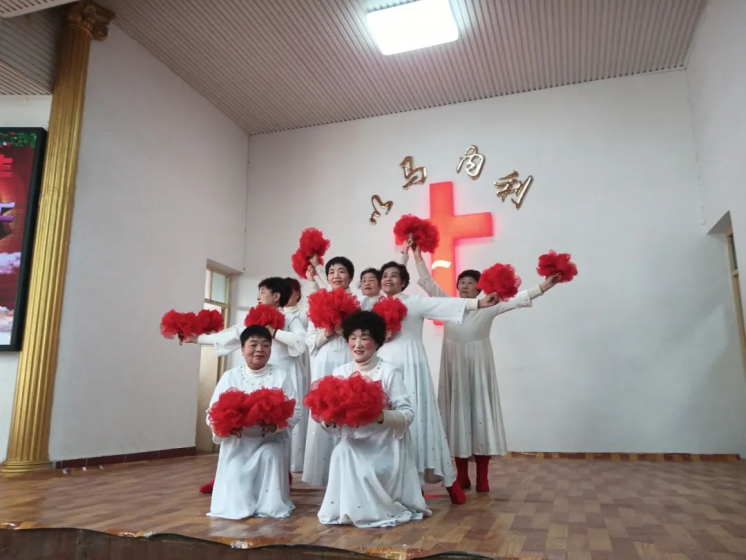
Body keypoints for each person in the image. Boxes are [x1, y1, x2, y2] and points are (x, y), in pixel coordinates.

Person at [402, 242, 560, 493]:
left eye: (469, 282)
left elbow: (519, 300)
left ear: (480, 287)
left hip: (478, 366)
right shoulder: (449, 304)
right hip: (454, 367)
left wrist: (545, 286)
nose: (464, 285)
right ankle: (462, 476)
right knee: (457, 418)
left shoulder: (491, 305)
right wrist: (417, 255)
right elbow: (428, 283)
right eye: (461, 281)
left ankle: (483, 478)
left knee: (480, 418)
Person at [364, 260, 499, 504]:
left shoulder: (415, 302)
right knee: (385, 421)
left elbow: (444, 304)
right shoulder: (372, 307)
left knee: (419, 419)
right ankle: (391, 481)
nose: (388, 279)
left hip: (412, 365)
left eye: (394, 275)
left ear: (403, 282)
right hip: (383, 365)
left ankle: (443, 480)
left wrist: (478, 303)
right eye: (384, 275)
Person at [191, 277, 307, 492]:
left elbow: (301, 342)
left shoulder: (291, 318)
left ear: (276, 296)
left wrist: (274, 332)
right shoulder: (252, 318)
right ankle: (226, 475)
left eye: (262, 291)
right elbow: (231, 336)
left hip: (282, 375)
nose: (258, 296)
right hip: (252, 374)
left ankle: (282, 472)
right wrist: (197, 339)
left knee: (278, 424)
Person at [318, 311, 430, 527]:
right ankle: (350, 510)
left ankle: (375, 510)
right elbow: (329, 423)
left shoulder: (389, 372)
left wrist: (379, 417)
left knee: (352, 456)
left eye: (365, 338)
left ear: (377, 341)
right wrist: (329, 420)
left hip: (385, 446)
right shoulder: (340, 372)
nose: (358, 344)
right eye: (353, 337)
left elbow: (408, 414)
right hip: (354, 442)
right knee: (343, 450)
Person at [207, 325, 301, 520]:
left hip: (269, 440)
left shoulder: (281, 376)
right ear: (242, 350)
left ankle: (270, 506)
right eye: (253, 345)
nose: (260, 350)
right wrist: (226, 427)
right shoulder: (230, 377)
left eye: (266, 345)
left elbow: (296, 411)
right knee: (235, 472)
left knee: (271, 454)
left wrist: (277, 425)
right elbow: (212, 413)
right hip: (238, 444)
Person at [302, 256, 357, 486]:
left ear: (350, 277)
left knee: (348, 408)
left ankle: (349, 471)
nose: (336, 275)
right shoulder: (317, 304)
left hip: (348, 358)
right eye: (332, 271)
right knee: (324, 410)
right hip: (323, 362)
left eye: (342, 271)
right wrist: (327, 332)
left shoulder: (359, 303)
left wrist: (344, 329)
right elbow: (308, 341)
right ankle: (322, 475)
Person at [282, 277, 311, 473]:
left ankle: (296, 460)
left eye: (289, 291)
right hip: (277, 363)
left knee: (296, 406)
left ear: (298, 293)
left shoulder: (303, 313)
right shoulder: (274, 313)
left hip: (297, 361)